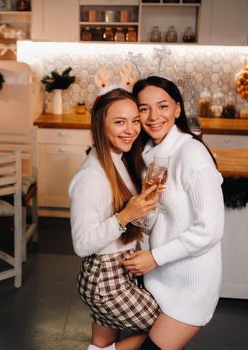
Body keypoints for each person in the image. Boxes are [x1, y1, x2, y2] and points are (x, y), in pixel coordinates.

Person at [122, 75, 225, 350]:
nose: (154, 116)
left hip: (191, 282)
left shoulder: (192, 154)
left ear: (177, 109)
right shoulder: (148, 155)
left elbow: (211, 229)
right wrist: (143, 208)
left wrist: (155, 258)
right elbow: (157, 219)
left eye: (163, 106)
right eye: (144, 108)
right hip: (158, 278)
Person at [69, 88, 160, 350]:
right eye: (120, 122)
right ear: (100, 124)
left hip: (118, 270)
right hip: (105, 279)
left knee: (102, 341)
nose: (130, 130)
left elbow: (129, 218)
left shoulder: (118, 159)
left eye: (134, 121)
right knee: (167, 328)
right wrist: (125, 216)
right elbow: (82, 244)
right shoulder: (91, 176)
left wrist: (143, 205)